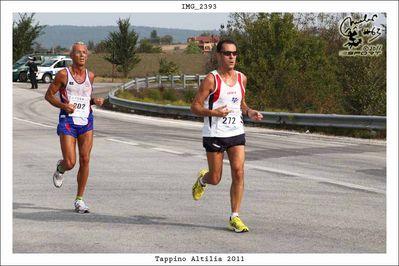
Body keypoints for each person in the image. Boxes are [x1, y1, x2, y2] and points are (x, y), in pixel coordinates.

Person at [190, 39, 263, 233]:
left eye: (234, 53)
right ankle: (202, 180)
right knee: (216, 178)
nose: (232, 57)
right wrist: (214, 113)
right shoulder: (211, 79)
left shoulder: (242, 78)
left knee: (238, 171)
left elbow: (241, 103)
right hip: (214, 134)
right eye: (227, 53)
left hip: (236, 131)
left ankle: (235, 216)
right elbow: (195, 107)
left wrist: (249, 112)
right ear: (218, 55)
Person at [45, 42, 104, 213]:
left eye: (84, 52)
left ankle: (79, 200)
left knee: (85, 159)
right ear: (71, 55)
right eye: (78, 52)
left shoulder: (90, 76)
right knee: (70, 162)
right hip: (68, 121)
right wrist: (64, 106)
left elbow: (85, 98)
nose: (82, 55)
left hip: (86, 121)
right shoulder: (63, 75)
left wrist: (95, 101)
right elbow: (48, 96)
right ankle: (60, 168)